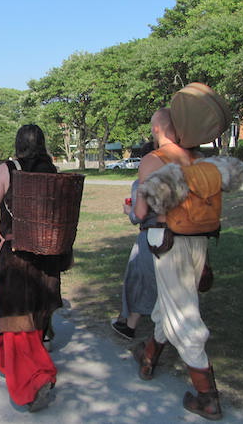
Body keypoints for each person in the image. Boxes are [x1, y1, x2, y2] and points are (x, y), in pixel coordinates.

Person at [133, 108, 222, 420]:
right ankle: (148, 357)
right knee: (169, 304)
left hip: (169, 242)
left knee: (184, 319)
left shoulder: (154, 159)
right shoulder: (198, 159)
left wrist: (133, 207)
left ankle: (207, 397)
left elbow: (142, 212)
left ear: (157, 126)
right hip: (199, 241)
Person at [0, 124, 72, 412]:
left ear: (18, 144)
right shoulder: (52, 170)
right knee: (34, 318)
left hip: (17, 255)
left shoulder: (7, 169)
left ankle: (34, 380)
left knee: (17, 322)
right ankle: (23, 365)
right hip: (47, 257)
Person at [111, 142, 158, 340]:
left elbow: (138, 216)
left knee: (138, 279)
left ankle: (129, 325)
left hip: (149, 237)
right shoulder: (174, 177)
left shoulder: (141, 183)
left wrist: (128, 210)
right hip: (175, 235)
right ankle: (127, 320)